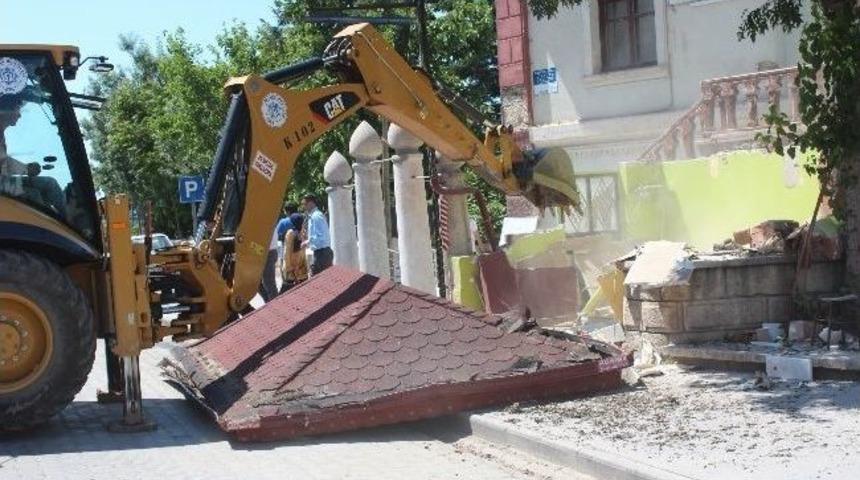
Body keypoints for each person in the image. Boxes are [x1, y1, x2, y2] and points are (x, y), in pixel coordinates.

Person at [301, 194, 333, 275]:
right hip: (322, 253)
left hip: (322, 254)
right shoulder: (314, 216)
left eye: (304, 204)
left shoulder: (316, 216)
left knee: (317, 281)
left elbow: (320, 237)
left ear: (311, 203)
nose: (303, 207)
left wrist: (307, 242)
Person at [279, 212, 308, 293]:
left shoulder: (290, 233)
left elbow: (286, 252)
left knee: (286, 295)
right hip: (301, 270)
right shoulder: (303, 232)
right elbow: (303, 253)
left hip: (291, 272)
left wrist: (288, 268)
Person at [258, 220, 280, 303]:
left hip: (267, 253)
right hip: (269, 252)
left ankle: (274, 304)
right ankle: (269, 301)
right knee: (260, 283)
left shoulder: (266, 224)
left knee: (269, 284)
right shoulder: (268, 222)